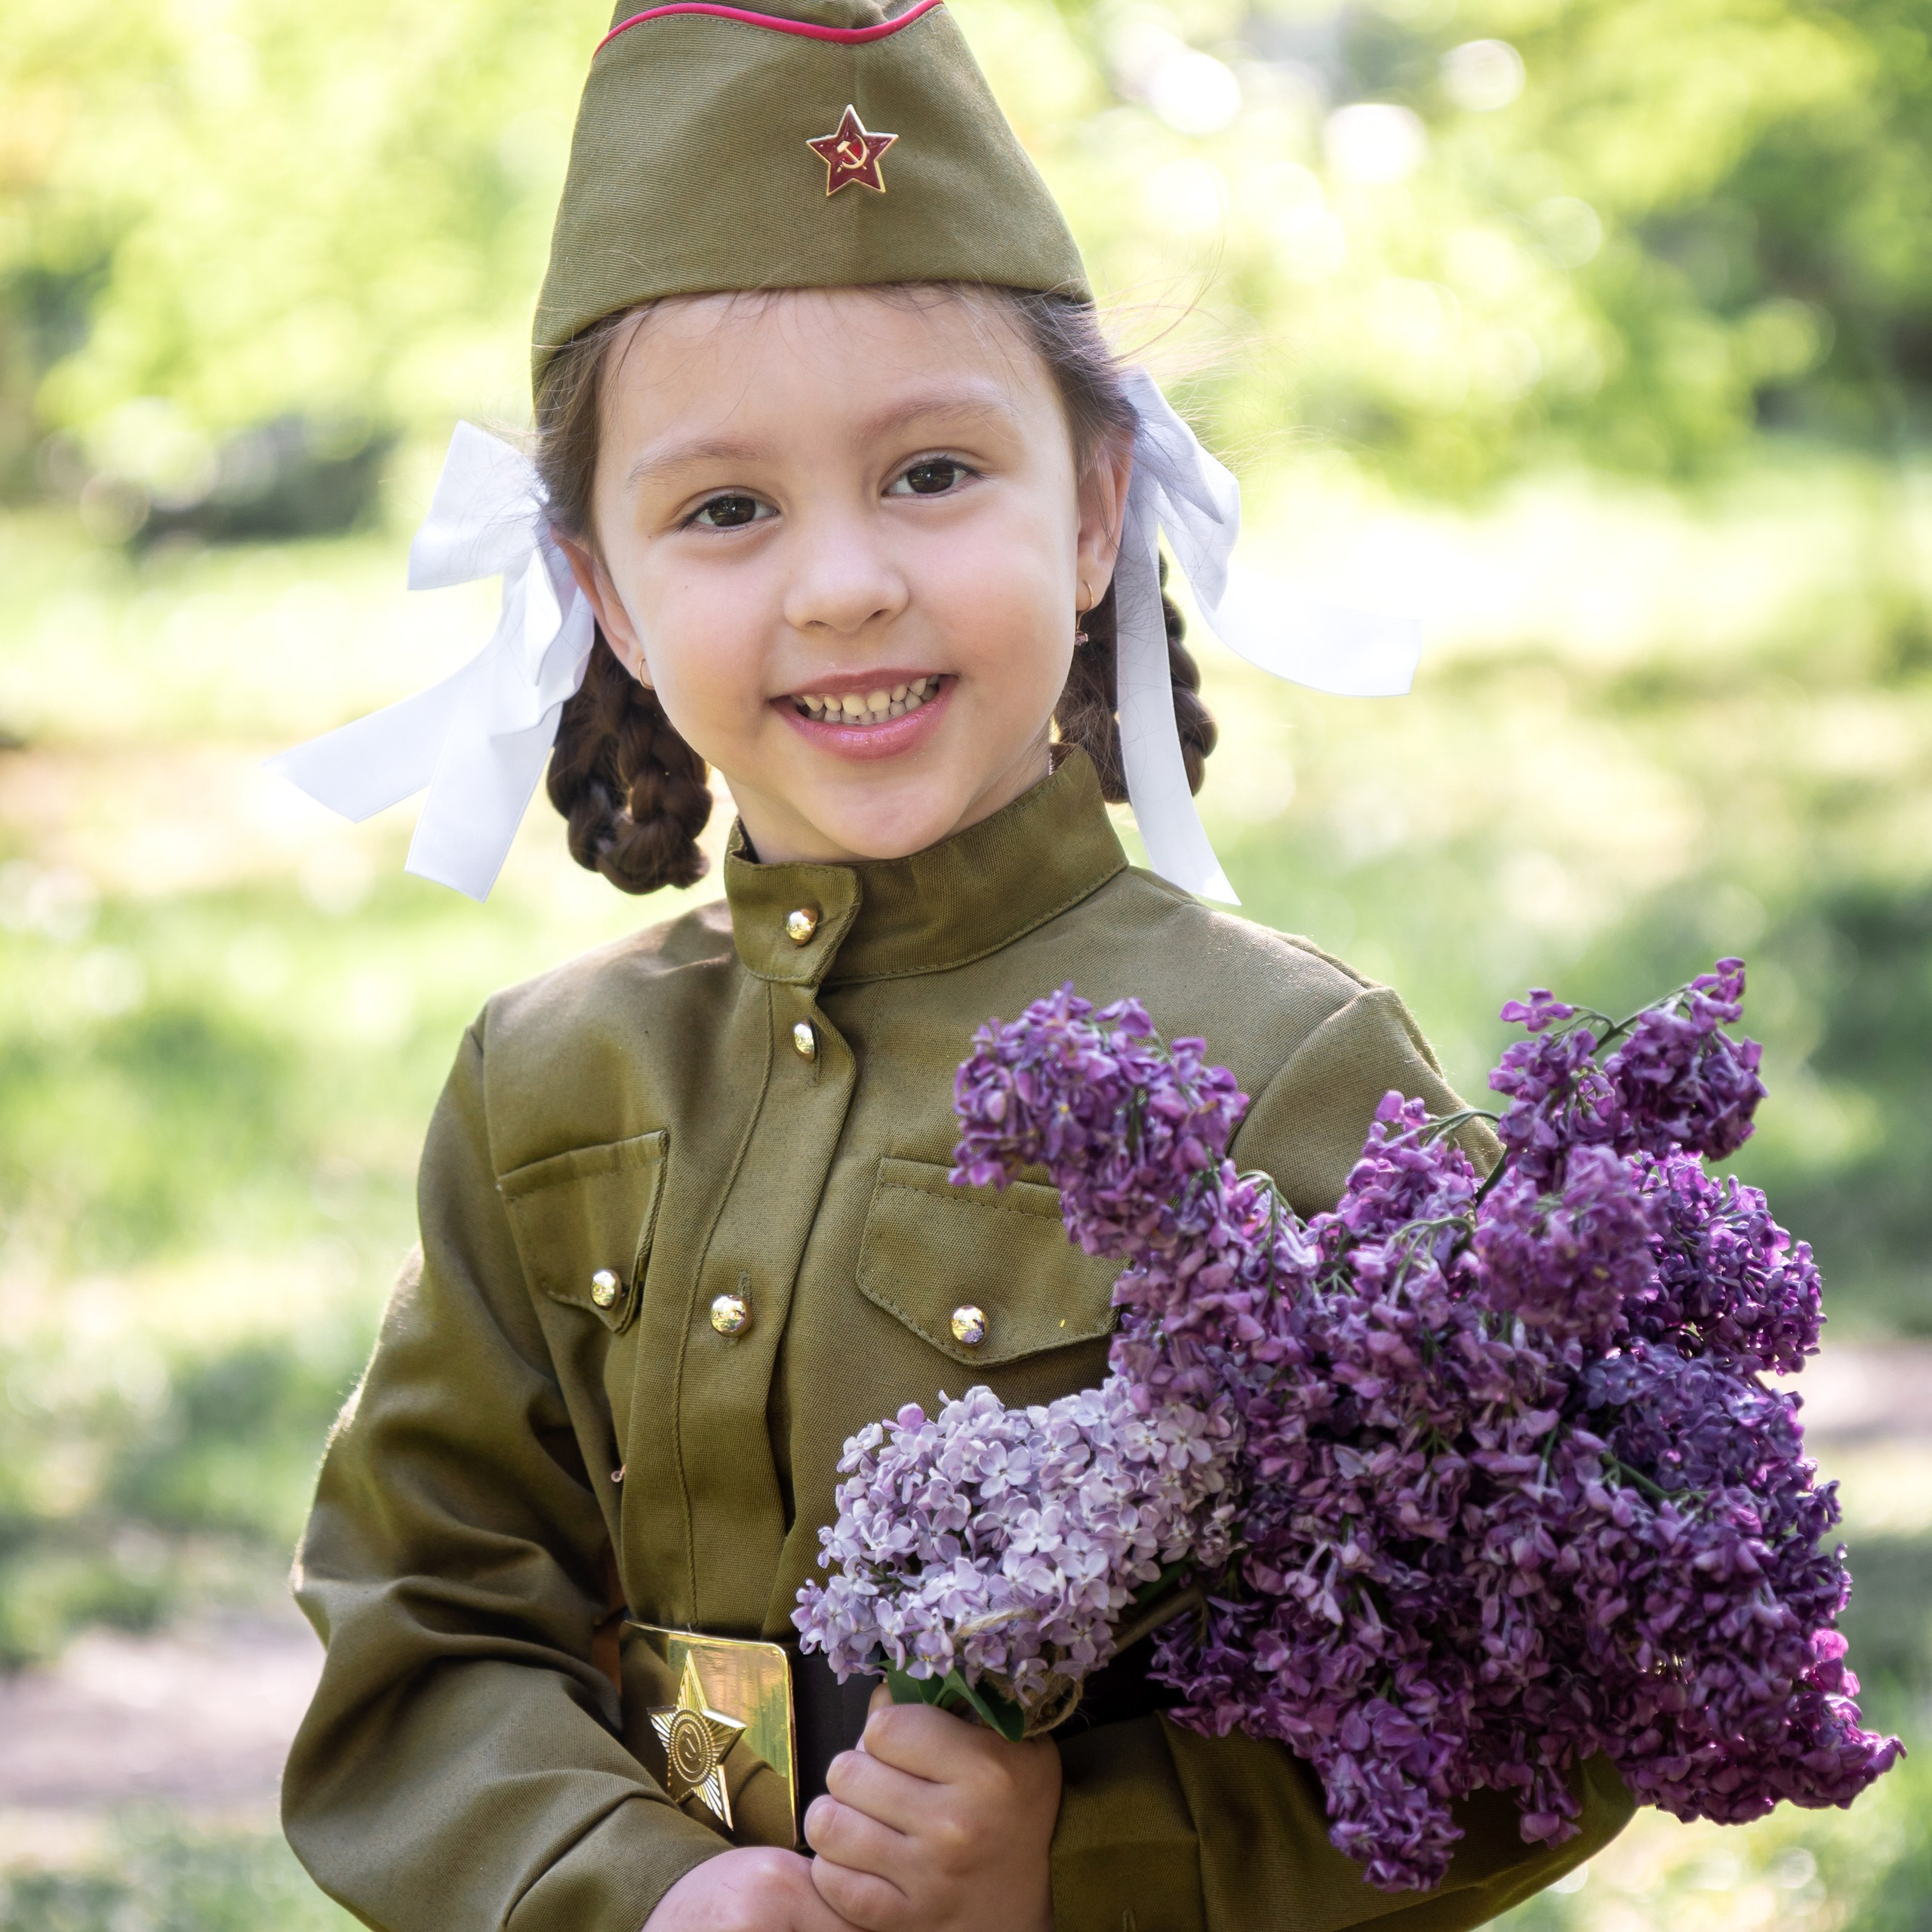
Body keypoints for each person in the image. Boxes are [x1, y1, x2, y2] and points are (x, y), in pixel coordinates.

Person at [276, 3, 1634, 1928]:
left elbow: (1538, 1696)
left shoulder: (1286, 1067)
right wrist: (635, 1885)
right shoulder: (545, 1082)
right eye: (725, 507)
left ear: (1092, 503)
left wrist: (1079, 1854)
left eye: (929, 472)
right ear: (603, 589)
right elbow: (422, 1614)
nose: (842, 578)